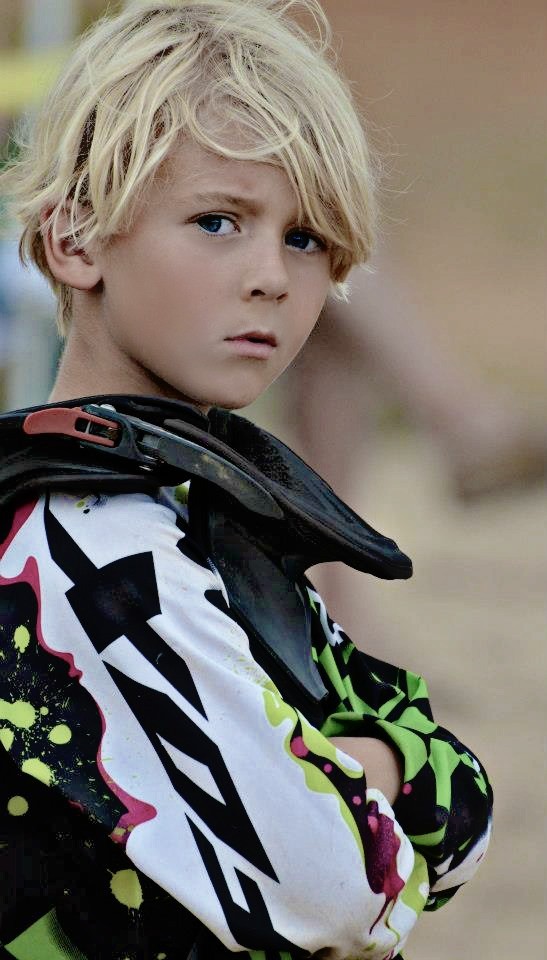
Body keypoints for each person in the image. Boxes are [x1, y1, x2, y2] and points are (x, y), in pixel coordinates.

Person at [0, 2, 492, 959]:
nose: (271, 276)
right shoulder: (96, 551)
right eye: (217, 222)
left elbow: (465, 821)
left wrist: (353, 768)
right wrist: (383, 764)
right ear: (76, 241)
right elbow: (346, 894)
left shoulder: (199, 508)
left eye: (304, 238)